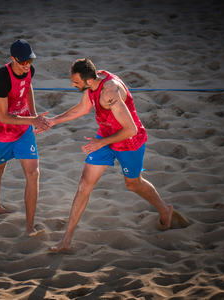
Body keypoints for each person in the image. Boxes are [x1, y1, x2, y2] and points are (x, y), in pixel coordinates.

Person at [40, 58, 183, 252]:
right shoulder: (93, 81)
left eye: (76, 82)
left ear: (89, 80)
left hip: (128, 140)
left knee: (133, 183)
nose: (73, 85)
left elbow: (131, 129)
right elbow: (83, 108)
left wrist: (100, 142)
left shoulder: (109, 92)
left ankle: (165, 210)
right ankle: (66, 240)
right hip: (106, 136)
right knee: (84, 185)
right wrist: (53, 122)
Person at [0, 39, 49, 236]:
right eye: (23, 62)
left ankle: (29, 226)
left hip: (23, 130)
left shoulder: (30, 69)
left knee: (33, 173)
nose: (27, 65)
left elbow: (28, 87)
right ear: (12, 59)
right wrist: (32, 120)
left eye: (29, 61)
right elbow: (3, 116)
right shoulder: (1, 78)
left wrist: (34, 114)